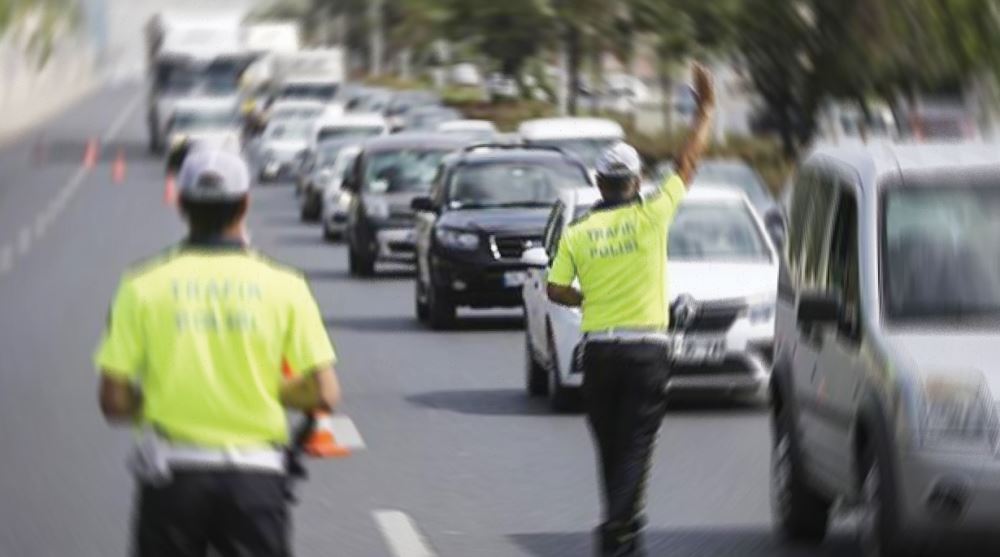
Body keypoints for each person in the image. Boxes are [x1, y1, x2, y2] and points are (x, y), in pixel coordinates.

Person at [95, 149, 340, 557]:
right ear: (245, 203)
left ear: (181, 203)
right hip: (256, 479)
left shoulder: (141, 286)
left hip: (172, 478)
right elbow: (325, 393)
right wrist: (262, 387)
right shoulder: (286, 285)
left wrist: (169, 393)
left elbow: (113, 401)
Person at [546, 64, 715, 557]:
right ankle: (618, 534)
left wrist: (586, 299)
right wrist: (704, 112)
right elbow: (687, 164)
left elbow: (556, 290)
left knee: (611, 448)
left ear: (599, 183)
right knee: (636, 447)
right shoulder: (651, 216)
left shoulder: (577, 232)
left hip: (599, 354)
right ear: (636, 181)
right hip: (646, 353)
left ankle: (623, 532)